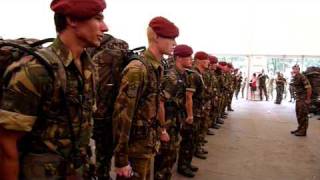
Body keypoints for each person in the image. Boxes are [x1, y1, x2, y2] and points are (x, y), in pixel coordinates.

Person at [0, 0, 108, 179]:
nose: (105, 27)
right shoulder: (37, 70)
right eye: (98, 18)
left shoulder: (89, 69)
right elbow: (7, 146)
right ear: (72, 19)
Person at [112, 16, 178, 180]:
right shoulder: (138, 69)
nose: (175, 43)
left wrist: (160, 131)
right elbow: (122, 116)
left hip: (147, 144)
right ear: (156, 36)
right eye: (171, 38)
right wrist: (121, 159)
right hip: (135, 149)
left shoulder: (156, 66)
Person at [154, 44, 194, 179]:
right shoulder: (172, 77)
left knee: (170, 156)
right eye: (188, 57)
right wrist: (163, 129)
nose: (191, 60)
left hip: (175, 121)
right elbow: (160, 103)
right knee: (165, 157)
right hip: (168, 123)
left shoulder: (182, 75)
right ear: (178, 58)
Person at [290, 65, 312, 136]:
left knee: (303, 115)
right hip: (299, 99)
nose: (294, 70)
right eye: (293, 69)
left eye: (295, 69)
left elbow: (309, 88)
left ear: (298, 70)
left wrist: (308, 99)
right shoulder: (295, 77)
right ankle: (300, 128)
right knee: (299, 114)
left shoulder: (302, 77)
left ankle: (303, 131)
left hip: (303, 99)